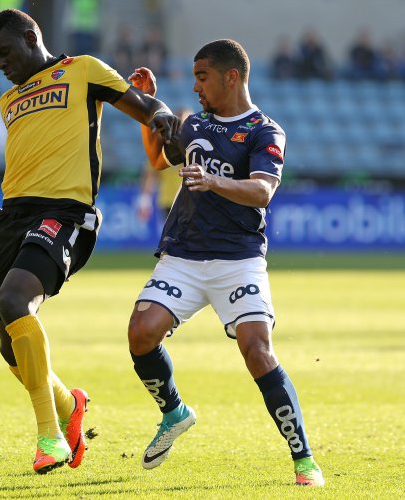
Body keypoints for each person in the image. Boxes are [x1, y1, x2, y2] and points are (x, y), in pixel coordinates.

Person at [0, 8, 179, 474]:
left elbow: (144, 105)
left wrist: (164, 115)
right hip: (12, 216)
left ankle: (50, 436)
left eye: (6, 52)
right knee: (11, 347)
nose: (2, 64)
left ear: (32, 36)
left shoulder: (83, 70)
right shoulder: (8, 100)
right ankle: (71, 407)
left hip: (66, 212)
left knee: (15, 299)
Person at [125, 39, 325, 486]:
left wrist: (212, 180)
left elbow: (262, 191)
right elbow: (160, 158)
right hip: (184, 253)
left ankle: (304, 459)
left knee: (256, 349)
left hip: (238, 258)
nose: (196, 87)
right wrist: (149, 119)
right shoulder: (194, 124)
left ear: (230, 77)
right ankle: (174, 411)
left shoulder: (263, 131)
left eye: (202, 77)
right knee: (140, 333)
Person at [136, 108, 192, 225]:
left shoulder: (195, 147)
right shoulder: (164, 148)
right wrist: (144, 200)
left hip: (190, 202)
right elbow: (151, 175)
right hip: (168, 201)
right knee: (172, 239)